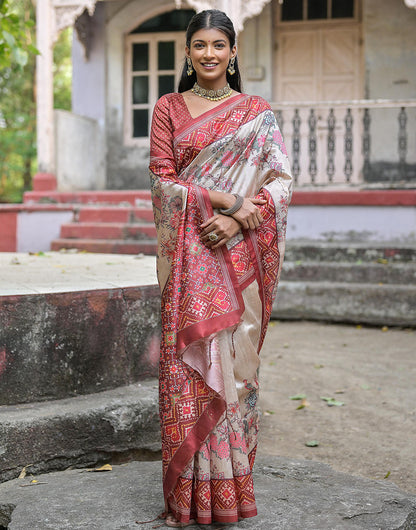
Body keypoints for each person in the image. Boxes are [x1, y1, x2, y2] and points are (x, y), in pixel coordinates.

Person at [148, 9, 292, 528]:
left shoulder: (256, 112)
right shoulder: (168, 108)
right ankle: (187, 495)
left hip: (238, 255)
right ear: (187, 53)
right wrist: (228, 199)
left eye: (219, 45)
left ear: (233, 54)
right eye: (199, 45)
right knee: (186, 367)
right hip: (187, 255)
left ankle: (231, 489)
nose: (209, 54)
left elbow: (280, 181)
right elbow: (163, 182)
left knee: (237, 368)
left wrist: (239, 222)